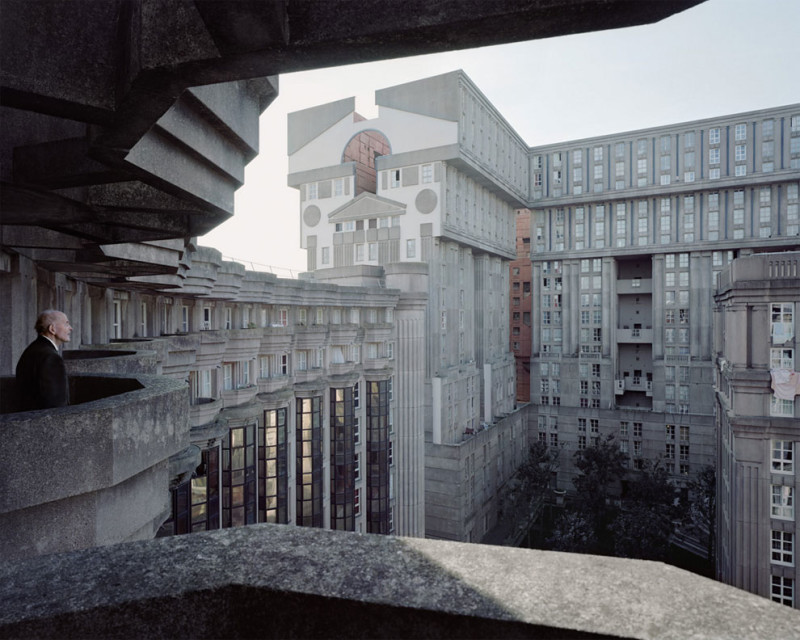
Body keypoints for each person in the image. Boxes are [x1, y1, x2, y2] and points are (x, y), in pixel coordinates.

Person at [15, 310, 72, 410]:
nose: (70, 328)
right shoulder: (51, 357)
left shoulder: (33, 348)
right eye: (66, 324)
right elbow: (56, 404)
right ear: (52, 329)